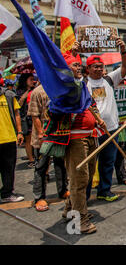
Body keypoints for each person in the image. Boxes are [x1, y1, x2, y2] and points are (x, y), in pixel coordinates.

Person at [58, 53, 105, 234]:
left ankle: (70, 210)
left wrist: (98, 118)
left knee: (87, 176)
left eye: (79, 65)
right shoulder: (63, 88)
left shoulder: (81, 85)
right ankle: (80, 221)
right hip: (75, 139)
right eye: (74, 65)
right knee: (79, 180)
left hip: (91, 135)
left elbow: (90, 104)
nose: (78, 68)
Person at [84, 36, 126, 202]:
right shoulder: (83, 84)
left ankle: (105, 190)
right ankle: (85, 195)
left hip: (111, 130)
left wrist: (123, 50)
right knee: (89, 165)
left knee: (108, 162)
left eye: (101, 66)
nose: (98, 69)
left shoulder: (109, 79)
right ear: (88, 68)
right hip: (91, 132)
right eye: (95, 67)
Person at [28, 81, 69, 212]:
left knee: (60, 165)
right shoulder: (37, 91)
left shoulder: (61, 89)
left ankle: (63, 190)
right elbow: (35, 116)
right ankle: (39, 197)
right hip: (44, 137)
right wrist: (41, 133)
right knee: (41, 167)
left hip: (59, 135)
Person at [0, 84, 24, 203]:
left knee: (9, 168)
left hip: (9, 137)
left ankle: (7, 193)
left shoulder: (8, 95)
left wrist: (19, 132)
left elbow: (16, 113)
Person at [15, 73, 36, 167]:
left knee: (34, 138)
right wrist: (27, 92)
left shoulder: (34, 90)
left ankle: (35, 156)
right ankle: (31, 159)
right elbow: (19, 104)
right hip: (25, 118)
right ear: (25, 81)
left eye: (33, 79)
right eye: (31, 79)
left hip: (34, 116)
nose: (33, 81)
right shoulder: (19, 91)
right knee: (28, 139)